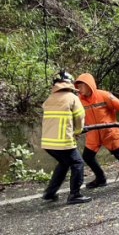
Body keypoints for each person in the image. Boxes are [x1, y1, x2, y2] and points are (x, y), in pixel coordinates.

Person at [74, 73, 119, 189]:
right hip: (92, 135)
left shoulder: (104, 96)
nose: (79, 89)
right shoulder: (79, 101)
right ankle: (100, 178)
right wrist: (76, 129)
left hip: (108, 133)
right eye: (78, 86)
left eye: (82, 86)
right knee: (87, 157)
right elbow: (77, 116)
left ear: (89, 85)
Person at [41, 71, 92, 204]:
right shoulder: (72, 98)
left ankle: (50, 193)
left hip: (47, 143)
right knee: (77, 163)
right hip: (62, 142)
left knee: (64, 163)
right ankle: (75, 194)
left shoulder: (49, 99)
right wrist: (78, 131)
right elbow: (80, 117)